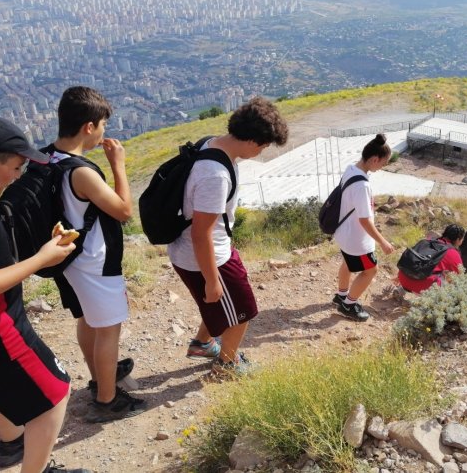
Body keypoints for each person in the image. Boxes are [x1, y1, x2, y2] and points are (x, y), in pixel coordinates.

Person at [0, 115, 91, 473]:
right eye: (15, 167)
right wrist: (40, 259)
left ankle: (13, 439)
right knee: (56, 393)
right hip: (0, 327)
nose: (16, 177)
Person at [168, 97, 288, 378]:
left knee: (219, 306)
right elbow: (201, 234)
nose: (262, 151)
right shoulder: (215, 175)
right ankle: (227, 365)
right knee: (244, 310)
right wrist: (211, 280)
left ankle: (202, 343)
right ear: (252, 141)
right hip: (206, 256)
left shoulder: (212, 144)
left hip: (200, 250)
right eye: (263, 145)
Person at [47, 87, 144, 423]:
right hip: (95, 262)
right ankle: (107, 399)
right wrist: (118, 165)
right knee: (109, 329)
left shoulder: (46, 157)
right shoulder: (82, 171)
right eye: (102, 124)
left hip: (67, 260)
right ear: (89, 127)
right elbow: (124, 211)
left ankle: (97, 377)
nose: (103, 131)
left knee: (87, 320)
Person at [332, 134, 395, 321]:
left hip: (344, 233)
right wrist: (383, 242)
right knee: (370, 270)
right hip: (356, 240)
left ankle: (341, 295)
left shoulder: (351, 169)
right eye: (383, 163)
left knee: (348, 263)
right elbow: (364, 220)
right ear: (375, 159)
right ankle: (348, 305)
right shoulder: (362, 185)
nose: (382, 167)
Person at [397, 224, 465, 294]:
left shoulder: (427, 240)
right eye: (462, 239)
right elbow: (460, 277)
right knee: (446, 277)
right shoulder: (453, 253)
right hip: (420, 287)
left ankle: (401, 290)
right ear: (458, 240)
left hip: (402, 277)